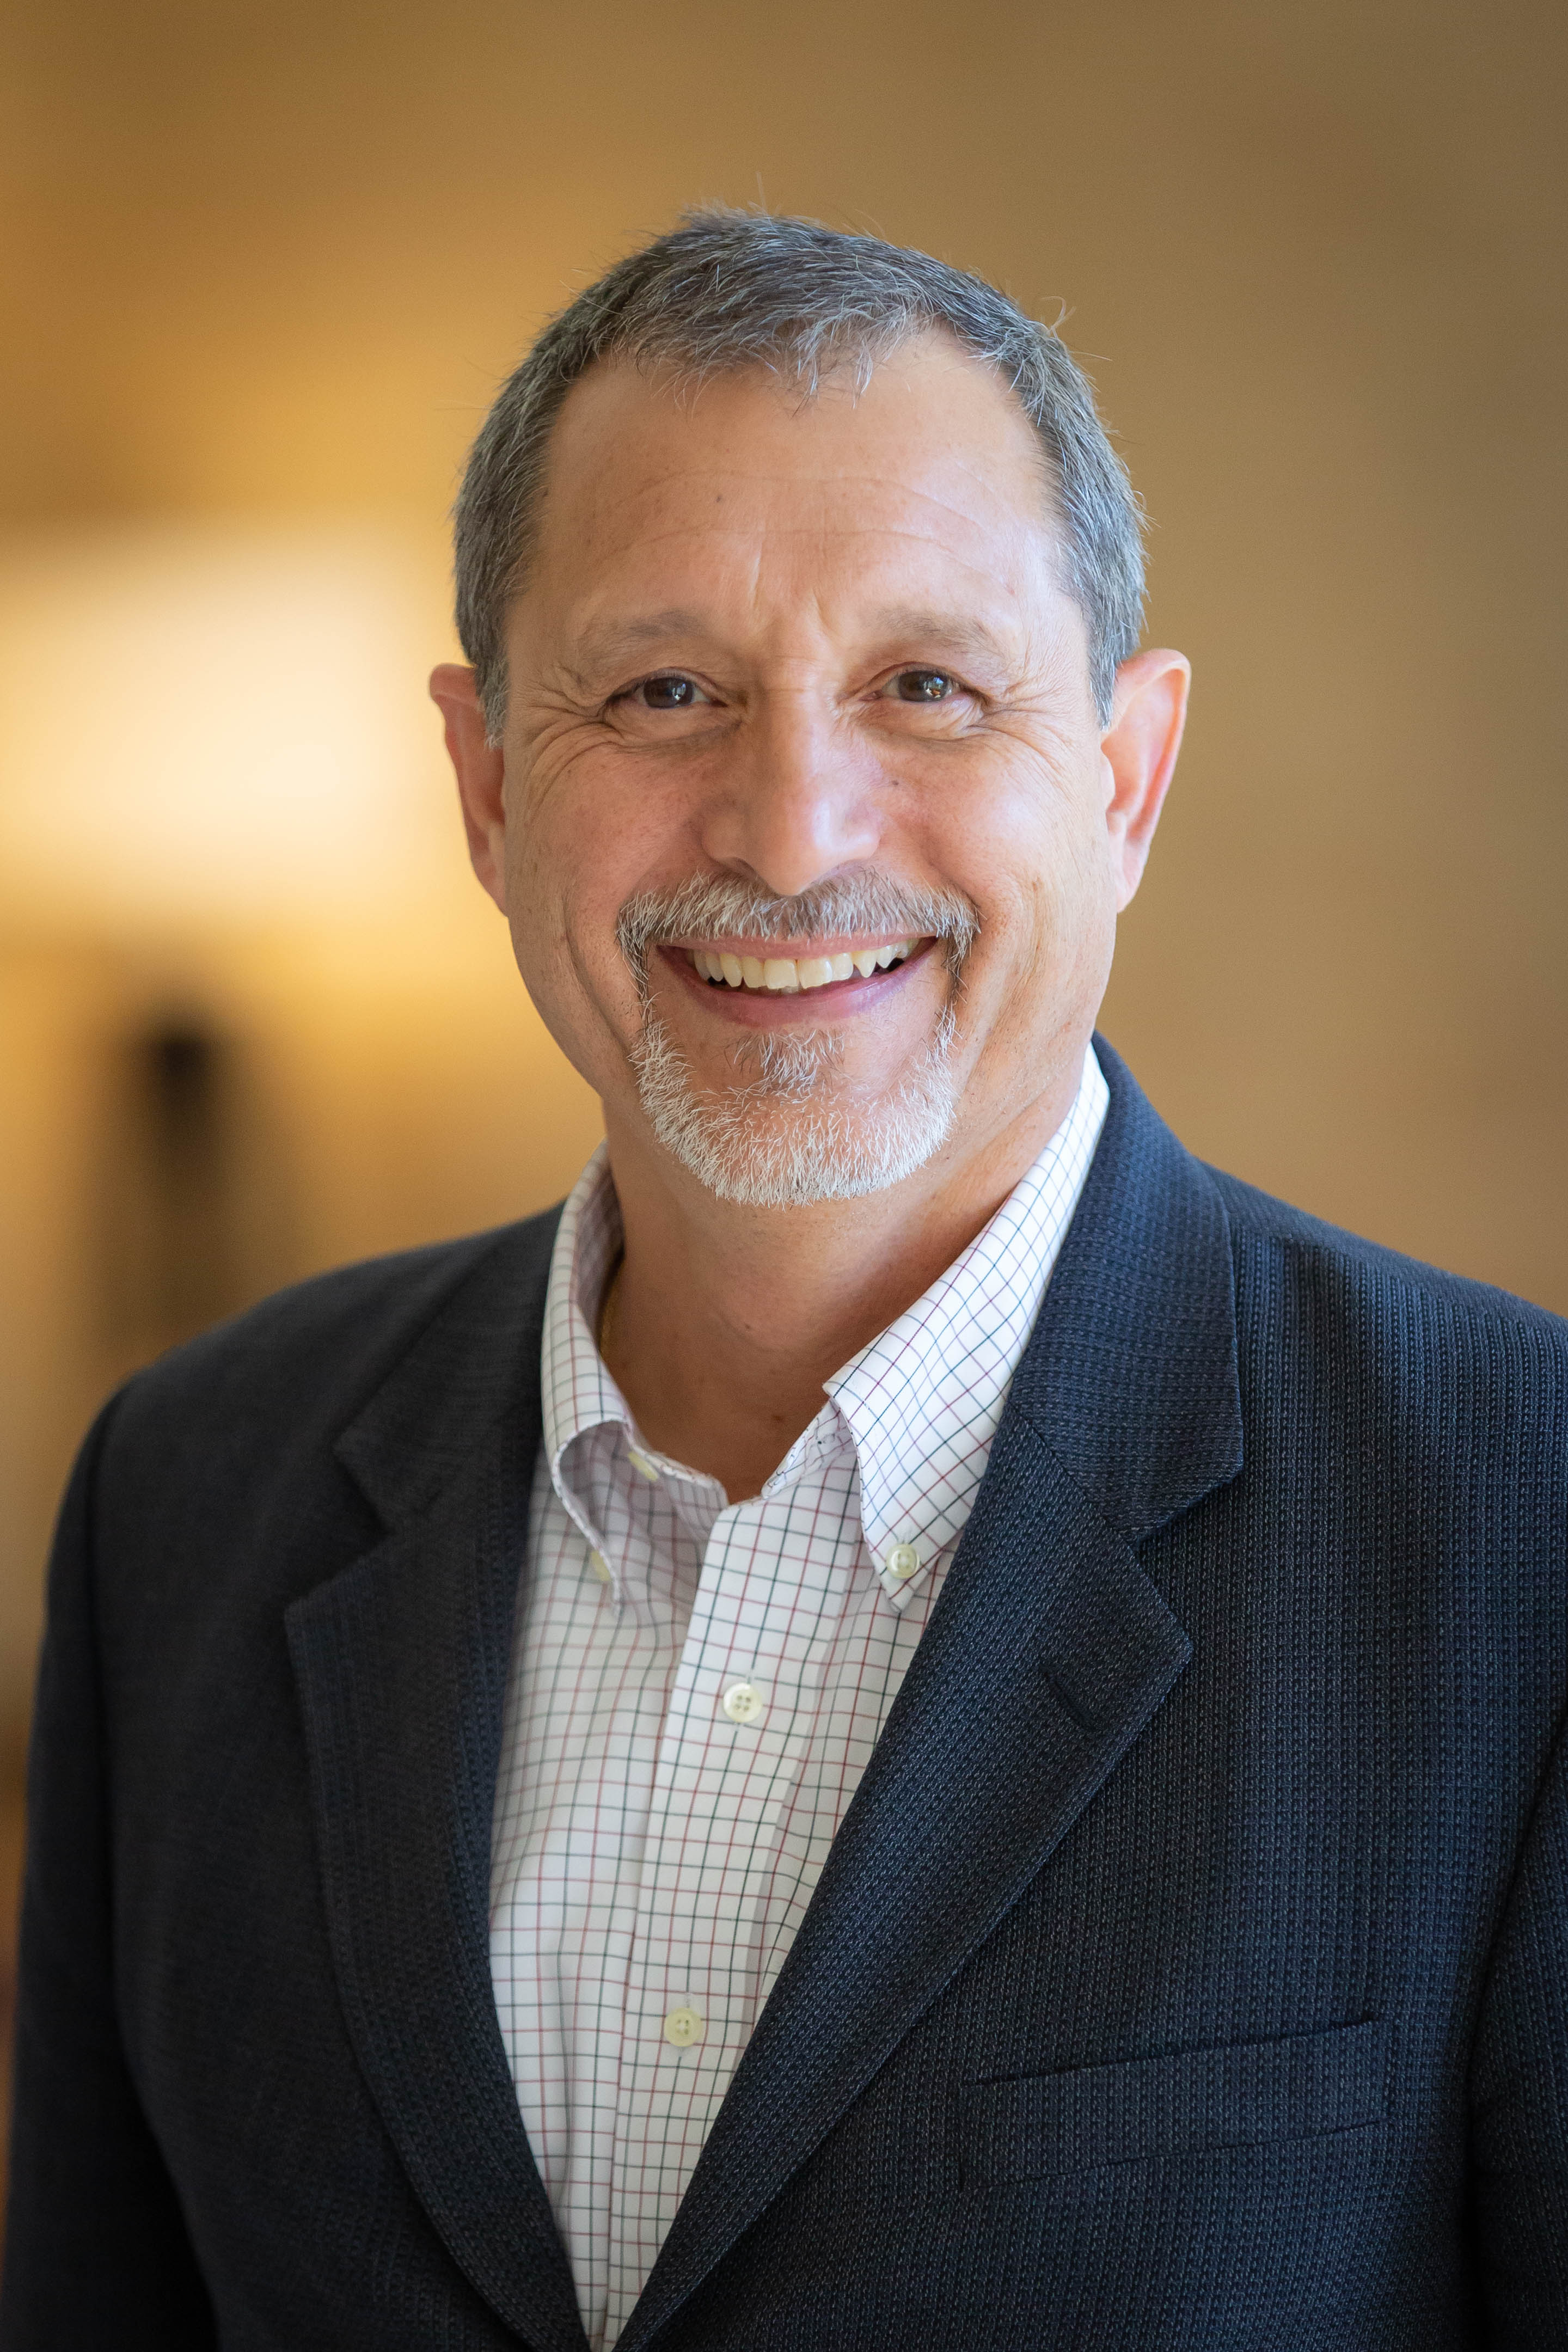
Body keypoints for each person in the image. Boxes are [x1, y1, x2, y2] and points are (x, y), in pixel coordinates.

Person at [3, 209, 1565, 2352]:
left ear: (1122, 777)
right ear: (483, 785)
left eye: (926, 686)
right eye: (665, 691)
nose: (793, 822)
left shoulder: (1520, 1522)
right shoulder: (187, 1495)